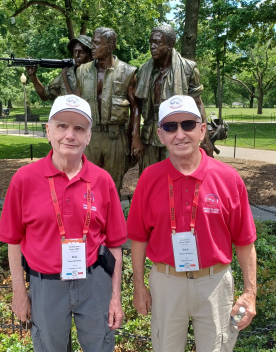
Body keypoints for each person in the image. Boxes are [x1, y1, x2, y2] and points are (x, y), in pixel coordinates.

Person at [127, 95, 257, 352]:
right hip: (166, 283)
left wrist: (250, 292)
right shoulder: (149, 179)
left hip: (215, 283)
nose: (180, 134)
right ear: (160, 135)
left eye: (187, 124)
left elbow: (245, 240)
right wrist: (139, 286)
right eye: (170, 126)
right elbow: (139, 238)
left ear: (202, 130)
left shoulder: (229, 179)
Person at [0, 95, 126, 352]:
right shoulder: (24, 180)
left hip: (94, 283)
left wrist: (115, 297)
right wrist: (19, 293)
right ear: (48, 130)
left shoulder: (103, 181)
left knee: (100, 347)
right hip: (46, 286)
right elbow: (13, 241)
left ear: (88, 136)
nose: (70, 135)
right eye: (62, 126)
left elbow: (114, 245)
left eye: (79, 128)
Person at [135, 25, 212, 175]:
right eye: (151, 42)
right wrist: (135, 136)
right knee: (149, 176)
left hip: (176, 131)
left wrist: (206, 138)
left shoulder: (188, 69)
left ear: (170, 45)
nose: (152, 46)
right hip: (150, 134)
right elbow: (136, 105)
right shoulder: (144, 70)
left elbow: (198, 103)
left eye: (158, 43)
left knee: (176, 175)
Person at [76, 27, 143, 194]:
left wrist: (135, 137)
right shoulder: (82, 72)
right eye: (92, 43)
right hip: (90, 137)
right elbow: (76, 106)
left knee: (113, 186)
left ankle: (112, 219)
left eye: (97, 43)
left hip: (115, 138)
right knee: (87, 184)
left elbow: (136, 107)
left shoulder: (127, 72)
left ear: (111, 46)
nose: (92, 47)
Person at [26, 35, 92, 101]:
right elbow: (44, 95)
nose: (77, 55)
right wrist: (33, 76)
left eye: (81, 52)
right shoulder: (65, 74)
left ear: (90, 54)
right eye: (75, 51)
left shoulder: (97, 73)